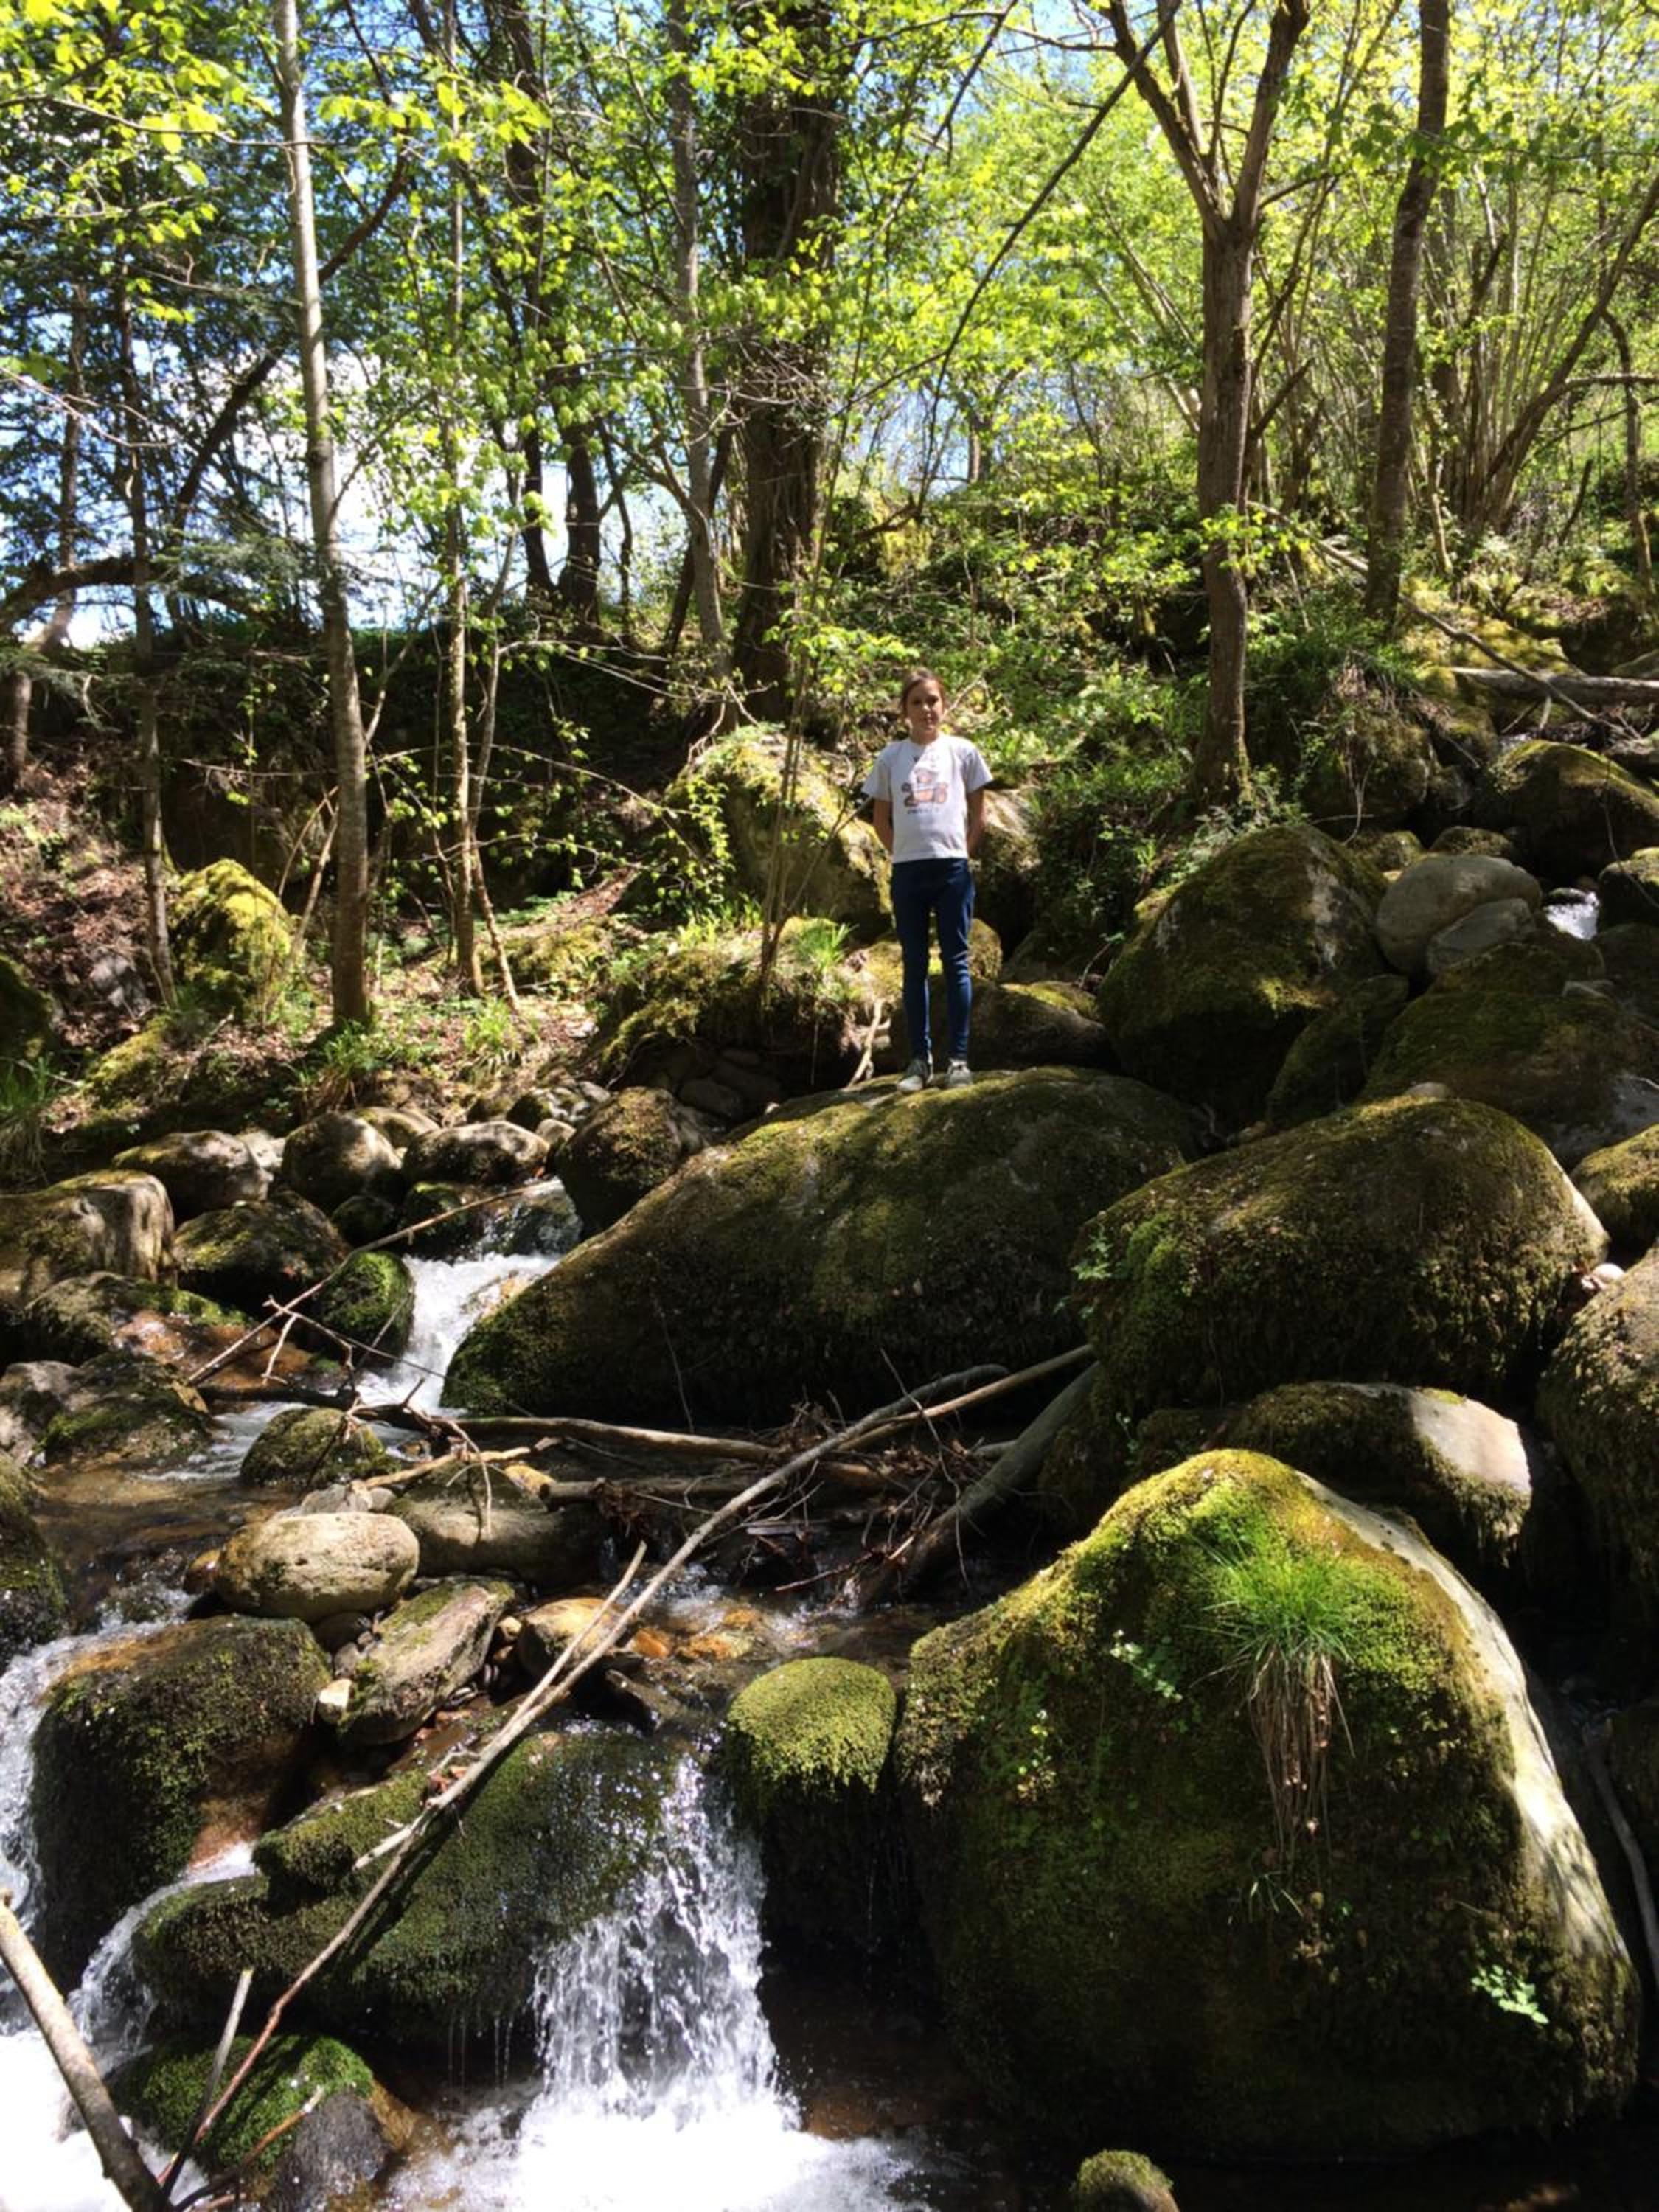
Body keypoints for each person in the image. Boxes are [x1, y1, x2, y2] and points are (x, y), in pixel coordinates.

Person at [862, 669, 992, 1091]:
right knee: (914, 964)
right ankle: (919, 1062)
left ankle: (959, 1060)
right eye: (916, 702)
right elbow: (880, 819)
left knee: (956, 962)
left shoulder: (963, 752)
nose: (926, 709)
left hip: (952, 869)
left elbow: (979, 813)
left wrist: (963, 852)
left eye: (932, 700)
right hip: (909, 872)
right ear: (905, 710)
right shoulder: (891, 757)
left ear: (944, 704)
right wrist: (901, 854)